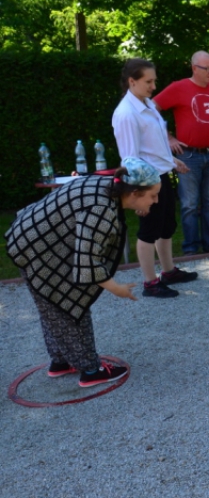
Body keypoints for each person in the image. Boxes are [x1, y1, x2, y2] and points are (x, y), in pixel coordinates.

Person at [5, 158, 162, 387]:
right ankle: (91, 370)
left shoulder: (106, 188)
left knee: (52, 307)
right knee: (69, 305)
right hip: (36, 248)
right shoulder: (101, 209)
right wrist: (115, 288)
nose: (156, 200)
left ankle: (61, 361)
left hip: (33, 241)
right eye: (153, 195)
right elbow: (87, 261)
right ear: (135, 193)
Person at [112, 58, 198, 299]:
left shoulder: (147, 104)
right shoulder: (127, 114)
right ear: (132, 81)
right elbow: (130, 159)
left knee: (166, 225)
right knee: (149, 230)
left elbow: (155, 144)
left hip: (162, 175)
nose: (153, 86)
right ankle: (150, 283)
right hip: (148, 183)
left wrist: (172, 161)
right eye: (148, 81)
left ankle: (168, 271)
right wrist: (139, 195)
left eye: (154, 81)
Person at [153, 51, 209, 255]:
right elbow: (152, 108)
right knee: (189, 204)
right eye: (207, 68)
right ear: (194, 68)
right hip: (188, 155)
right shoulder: (178, 87)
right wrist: (168, 138)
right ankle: (191, 248)